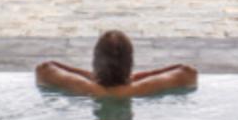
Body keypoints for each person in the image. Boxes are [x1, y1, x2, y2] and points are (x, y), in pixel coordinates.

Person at [35, 29, 198, 97]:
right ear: (129, 60)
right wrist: (142, 76)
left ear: (96, 59)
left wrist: (91, 76)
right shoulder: (143, 87)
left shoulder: (84, 86)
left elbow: (44, 68)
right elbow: (188, 72)